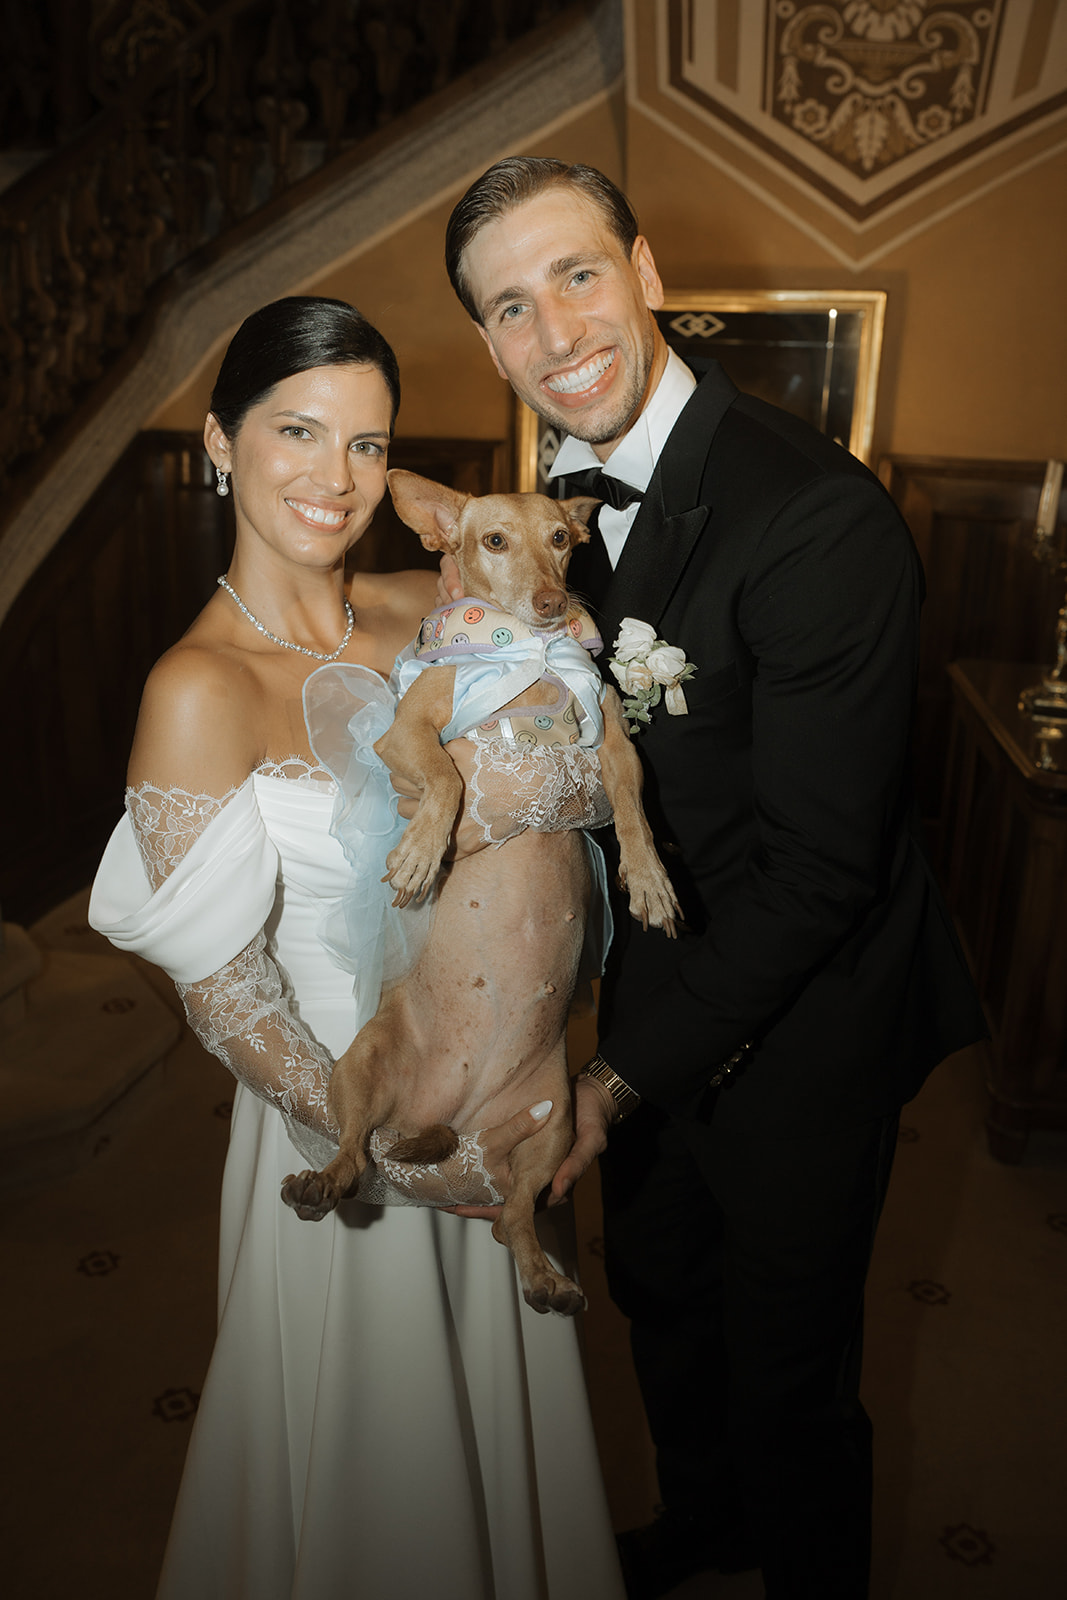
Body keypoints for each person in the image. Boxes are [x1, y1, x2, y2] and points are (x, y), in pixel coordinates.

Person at [443, 158, 986, 1600]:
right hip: (651, 987)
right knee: (663, 1296)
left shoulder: (816, 515)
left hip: (809, 1020)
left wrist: (610, 1087)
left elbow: (821, 873)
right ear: (490, 344)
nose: (555, 332)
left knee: (790, 1371)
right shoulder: (548, 515)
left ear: (646, 274)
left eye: (577, 275)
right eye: (511, 307)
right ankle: (704, 1527)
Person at [87, 296, 625, 1600]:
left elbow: (571, 796)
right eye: (299, 431)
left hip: (501, 1074)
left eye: (369, 444)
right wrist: (388, 1155)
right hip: (347, 1119)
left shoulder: (432, 603)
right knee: (377, 1487)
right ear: (220, 441)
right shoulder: (197, 687)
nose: (338, 477)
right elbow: (227, 999)